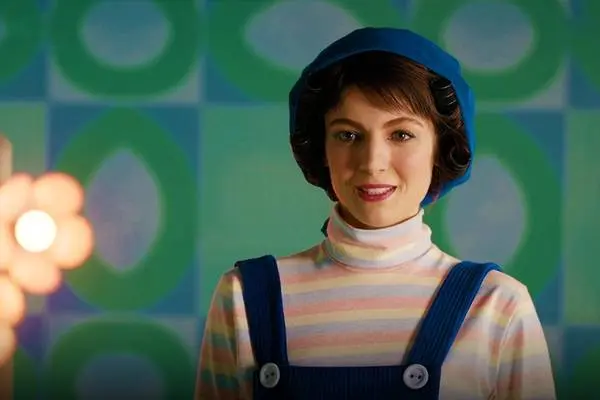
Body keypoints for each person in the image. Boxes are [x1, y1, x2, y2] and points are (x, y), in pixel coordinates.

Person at [195, 27, 556, 399]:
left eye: (401, 135)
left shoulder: (498, 305)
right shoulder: (243, 297)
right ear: (321, 148)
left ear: (440, 146)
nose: (372, 163)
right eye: (348, 135)